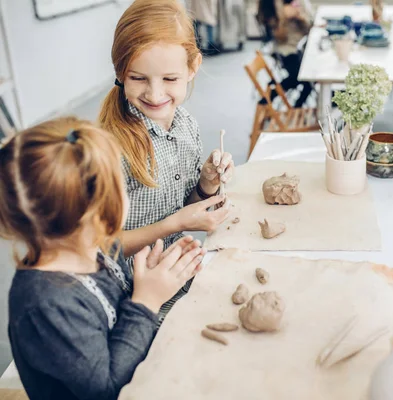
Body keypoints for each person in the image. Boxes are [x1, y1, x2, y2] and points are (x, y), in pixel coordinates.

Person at [1, 117, 206, 400]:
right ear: (100, 211)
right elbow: (106, 390)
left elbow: (115, 307)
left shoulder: (93, 246)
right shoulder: (45, 304)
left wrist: (145, 278)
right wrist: (147, 301)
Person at [99, 0, 234, 321]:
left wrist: (206, 183)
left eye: (170, 79)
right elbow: (100, 247)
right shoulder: (109, 148)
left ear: (193, 67)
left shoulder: (186, 125)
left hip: (179, 272)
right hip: (131, 296)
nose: (155, 94)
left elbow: (183, 204)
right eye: (139, 78)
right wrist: (175, 224)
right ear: (120, 71)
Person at [257, 0, 313, 108]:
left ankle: (295, 105)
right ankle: (272, 97)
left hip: (298, 48)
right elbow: (277, 34)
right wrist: (283, 17)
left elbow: (307, 28)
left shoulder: (293, 4)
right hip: (285, 50)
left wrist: (300, 17)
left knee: (309, 77)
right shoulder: (270, 6)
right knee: (305, 79)